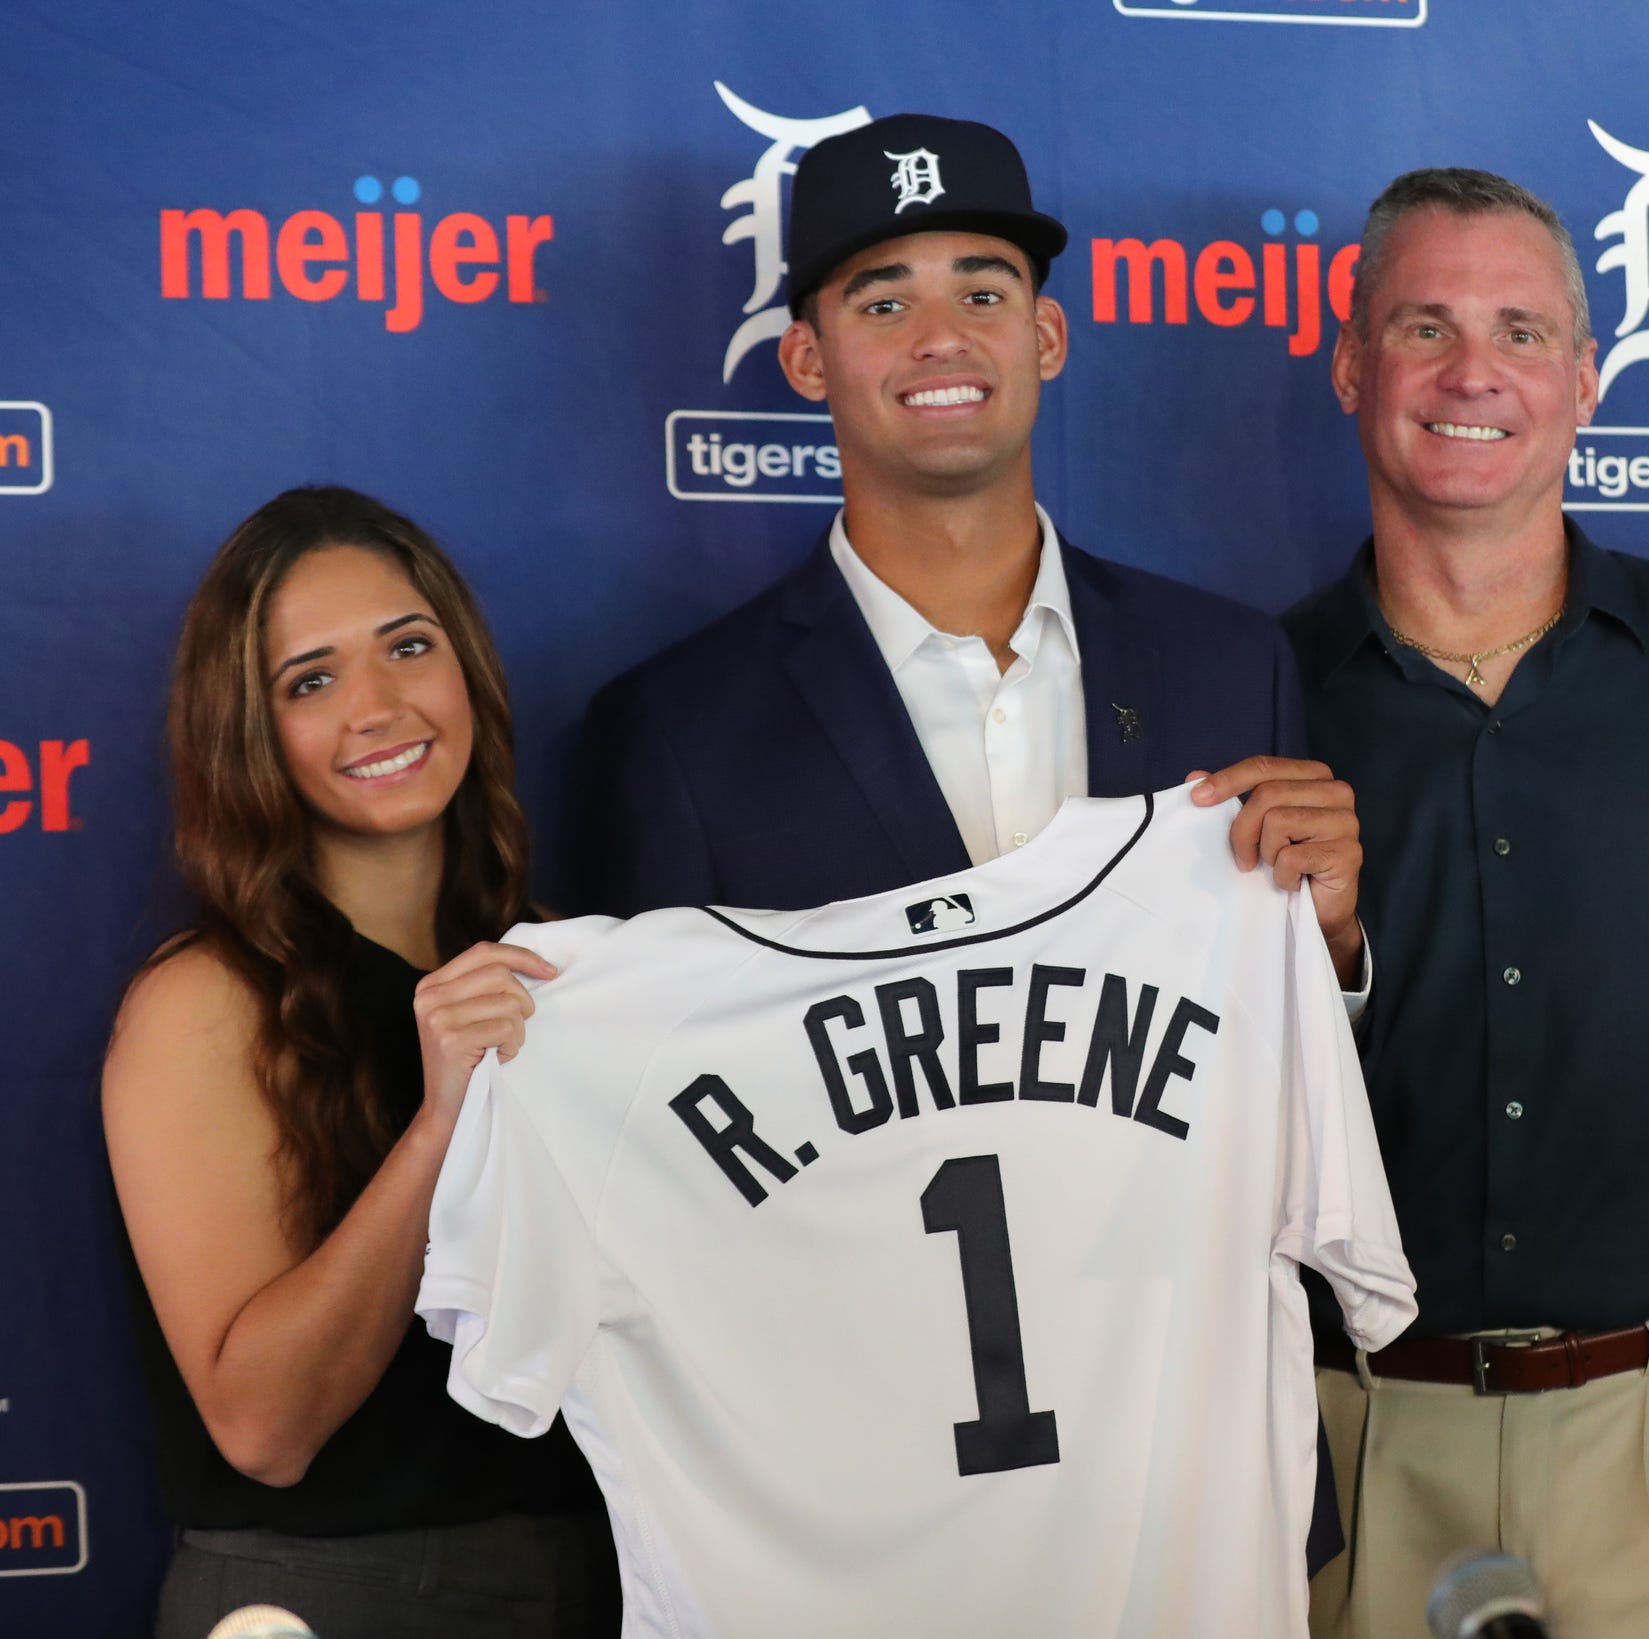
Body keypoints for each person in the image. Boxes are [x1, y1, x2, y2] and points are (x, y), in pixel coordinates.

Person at [567, 112, 1365, 1572]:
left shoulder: (1226, 662)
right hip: (872, 1509)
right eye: (884, 299)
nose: (943, 333)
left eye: (984, 289)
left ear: (1048, 335)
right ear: (808, 357)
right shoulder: (676, 728)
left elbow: (1286, 1051)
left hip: (1182, 1480)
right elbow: (667, 1176)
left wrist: (1331, 945)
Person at [1284, 168, 1649, 1637]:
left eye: (1522, 331)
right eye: (1424, 326)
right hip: (1355, 1449)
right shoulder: (1243, 696)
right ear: (1351, 365)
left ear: (1584, 380)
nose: (1475, 371)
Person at [103, 487, 617, 1638]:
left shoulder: (556, 962)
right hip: (326, 1595)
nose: (379, 707)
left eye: (409, 647)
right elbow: (263, 1429)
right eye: (312, 680)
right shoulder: (206, 1003)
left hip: (593, 1571)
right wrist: (439, 1126)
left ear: (466, 668)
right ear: (250, 730)